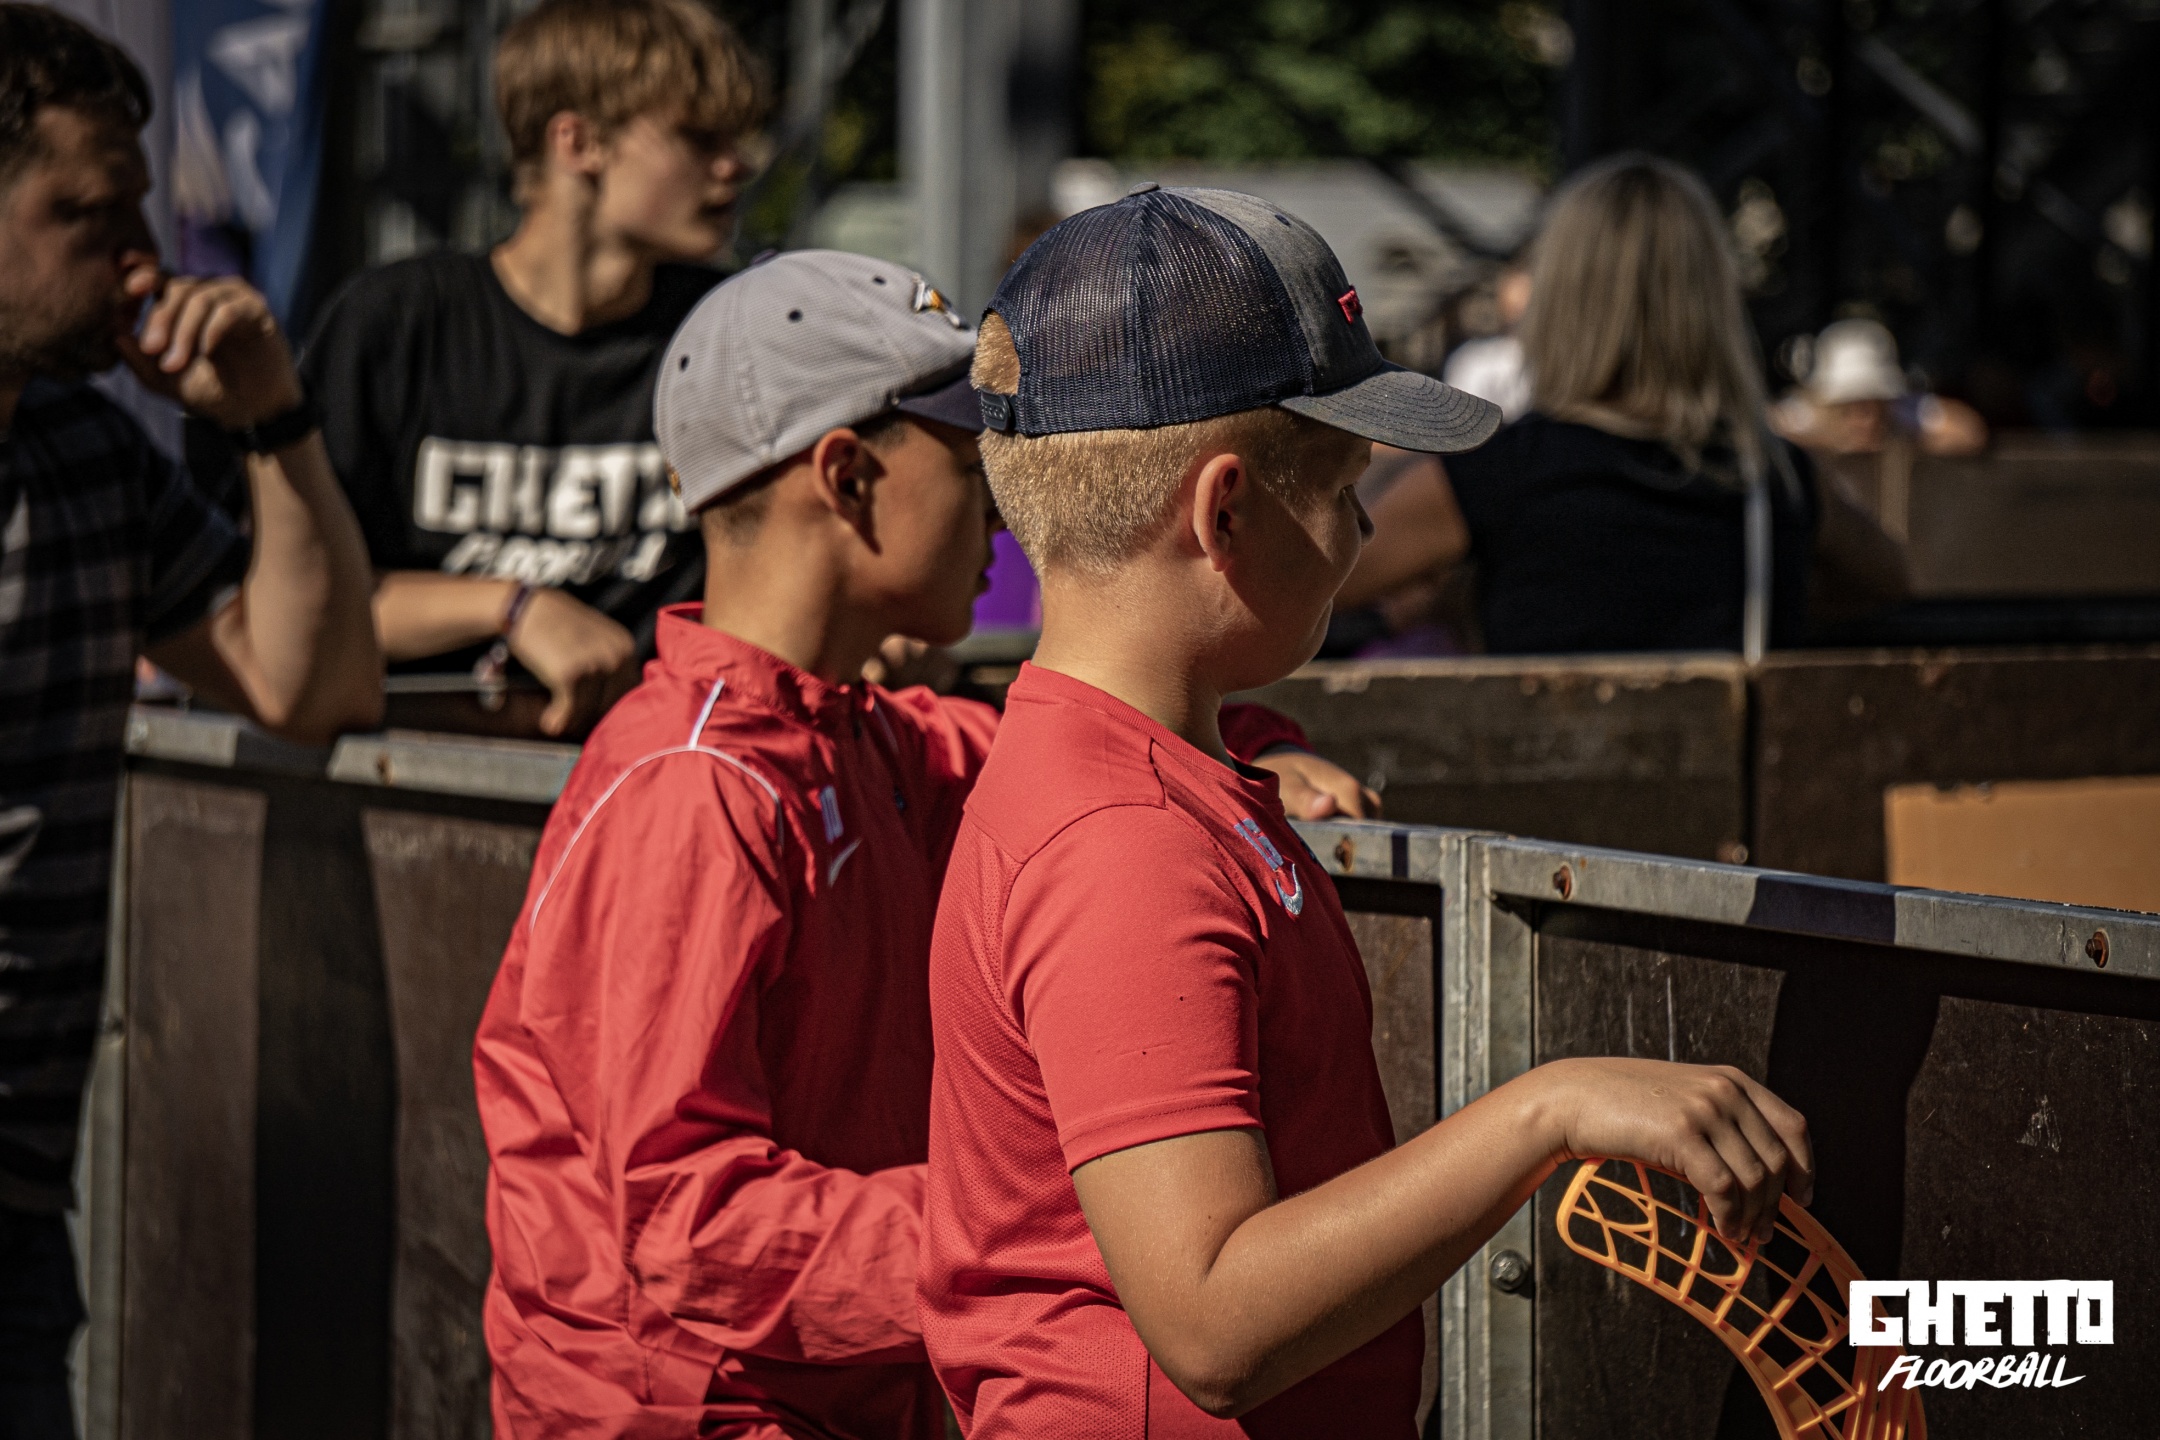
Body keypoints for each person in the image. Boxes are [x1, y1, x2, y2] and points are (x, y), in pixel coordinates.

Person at [920, 186, 1816, 1436]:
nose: (1361, 526)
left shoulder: (1134, 770)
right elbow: (1213, 1322)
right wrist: (1546, 1111)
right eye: (1347, 485)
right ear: (1225, 513)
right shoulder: (1122, 845)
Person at [471, 250, 1374, 1440]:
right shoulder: (692, 789)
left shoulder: (863, 737)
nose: (1001, 511)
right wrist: (1091, 1225)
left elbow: (1088, 732)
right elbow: (687, 1221)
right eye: (965, 462)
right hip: (690, 1416)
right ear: (847, 478)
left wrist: (1250, 740)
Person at [0, 8, 381, 1433]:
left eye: (140, 211)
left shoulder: (87, 456)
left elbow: (312, 684)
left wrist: (271, 421)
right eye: (86, 213)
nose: (141, 259)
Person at [300, 0, 758, 735]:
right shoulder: (397, 324)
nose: (737, 165)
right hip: (417, 769)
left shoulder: (730, 332)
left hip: (657, 770)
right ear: (578, 142)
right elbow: (296, 605)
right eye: (699, 137)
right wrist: (513, 607)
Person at [1337, 154, 1906, 655]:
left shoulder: (1498, 472)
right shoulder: (1775, 475)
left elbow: (1320, 582)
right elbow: (1886, 580)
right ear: (1712, 303)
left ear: (1561, 300)